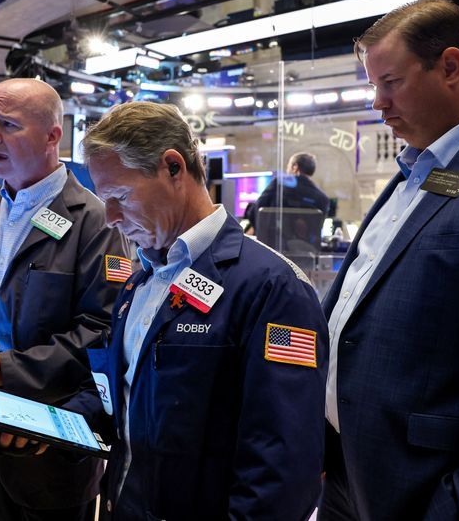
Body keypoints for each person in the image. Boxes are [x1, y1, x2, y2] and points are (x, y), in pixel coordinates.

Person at [80, 101, 328, 519]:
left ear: (173, 167)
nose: (110, 218)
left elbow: (283, 469)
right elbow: (125, 401)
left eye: (119, 196)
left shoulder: (274, 289)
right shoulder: (138, 280)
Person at [0, 77, 131, 521]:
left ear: (54, 136)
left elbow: (103, 329)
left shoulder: (96, 221)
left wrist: (4, 371)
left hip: (48, 437)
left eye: (9, 124)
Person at [321, 0, 459, 520]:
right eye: (374, 85)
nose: (377, 102)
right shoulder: (415, 171)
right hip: (347, 472)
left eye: (390, 82)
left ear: (451, 67)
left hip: (423, 489)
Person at [250, 151, 330, 230]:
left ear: (295, 167)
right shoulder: (323, 199)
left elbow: (256, 210)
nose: (287, 171)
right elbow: (316, 230)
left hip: (272, 241)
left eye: (288, 167)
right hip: (305, 243)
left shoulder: (279, 184)